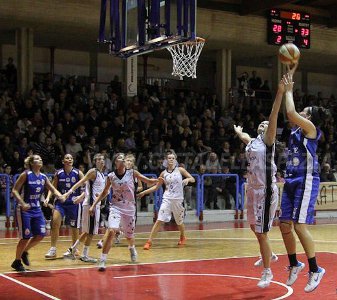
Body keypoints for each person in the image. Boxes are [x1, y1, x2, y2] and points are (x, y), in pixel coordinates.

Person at [233, 76, 285, 288]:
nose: (264, 124)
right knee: (254, 227)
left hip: (265, 191)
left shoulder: (268, 142)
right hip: (252, 190)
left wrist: (280, 92)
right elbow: (245, 136)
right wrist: (238, 132)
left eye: (267, 124)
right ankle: (269, 254)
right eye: (261, 123)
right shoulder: (253, 142)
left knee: (262, 233)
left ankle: (267, 272)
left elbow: (273, 115)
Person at [279, 70, 327, 293]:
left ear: (309, 118)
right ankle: (294, 263)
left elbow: (289, 112)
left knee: (299, 225)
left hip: (306, 179)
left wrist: (288, 90)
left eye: (304, 112)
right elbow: (289, 114)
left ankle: (316, 269)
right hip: (290, 180)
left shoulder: (311, 129)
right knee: (284, 225)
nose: (300, 112)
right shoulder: (297, 129)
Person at [90, 153, 158, 271]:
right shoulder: (111, 176)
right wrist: (94, 204)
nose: (123, 160)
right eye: (120, 158)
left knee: (129, 236)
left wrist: (158, 180)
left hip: (130, 208)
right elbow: (105, 192)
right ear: (116, 162)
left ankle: (131, 248)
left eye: (124, 158)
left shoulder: (132, 173)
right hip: (116, 207)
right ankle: (103, 259)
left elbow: (147, 181)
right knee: (112, 230)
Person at [11, 154, 64, 272]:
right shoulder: (26, 175)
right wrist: (22, 203)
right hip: (24, 209)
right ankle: (17, 261)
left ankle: (24, 252)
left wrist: (60, 196)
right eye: (37, 159)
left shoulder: (43, 177)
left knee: (41, 234)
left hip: (37, 209)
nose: (40, 160)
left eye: (40, 159)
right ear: (31, 163)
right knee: (25, 237)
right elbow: (14, 190)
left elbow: (52, 189)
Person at [140, 150, 195, 250]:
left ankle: (182, 236)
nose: (171, 160)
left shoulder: (180, 170)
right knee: (159, 220)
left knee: (179, 222)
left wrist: (187, 179)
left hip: (178, 200)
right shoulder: (163, 173)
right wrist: (144, 192)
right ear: (166, 160)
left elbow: (193, 179)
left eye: (173, 158)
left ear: (175, 160)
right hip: (167, 199)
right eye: (169, 158)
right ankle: (149, 241)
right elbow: (156, 187)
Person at [62, 153, 106, 262]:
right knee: (91, 232)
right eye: (99, 159)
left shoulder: (102, 175)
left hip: (94, 204)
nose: (101, 161)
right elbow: (81, 182)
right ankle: (85, 255)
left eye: (103, 159)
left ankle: (72, 249)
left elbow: (89, 189)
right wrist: (69, 193)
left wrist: (81, 197)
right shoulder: (93, 172)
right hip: (92, 206)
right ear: (95, 161)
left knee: (86, 231)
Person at [96, 153, 143, 248]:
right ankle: (103, 240)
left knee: (128, 228)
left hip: (130, 204)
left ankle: (126, 242)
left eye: (130, 161)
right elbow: (108, 189)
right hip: (118, 203)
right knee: (113, 225)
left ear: (133, 164)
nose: (128, 162)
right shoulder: (114, 175)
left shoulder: (134, 174)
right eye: (127, 160)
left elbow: (141, 187)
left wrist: (136, 190)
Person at [44, 154, 84, 259]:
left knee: (74, 227)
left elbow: (87, 186)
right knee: (55, 222)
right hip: (60, 202)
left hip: (74, 203)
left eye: (71, 158)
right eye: (67, 158)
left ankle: (74, 249)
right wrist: (48, 198)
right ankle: (53, 249)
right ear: (63, 161)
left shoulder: (78, 173)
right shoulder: (59, 173)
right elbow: (52, 187)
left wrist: (81, 196)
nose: (69, 159)